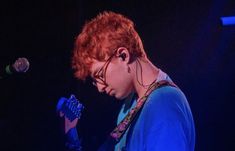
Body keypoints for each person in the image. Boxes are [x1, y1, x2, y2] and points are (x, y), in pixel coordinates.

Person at [59, 11, 195, 151]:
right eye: (94, 81)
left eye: (100, 75)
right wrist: (71, 135)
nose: (99, 88)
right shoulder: (130, 105)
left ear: (123, 56)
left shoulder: (164, 104)